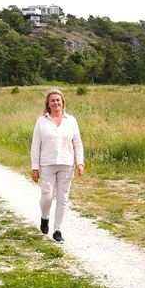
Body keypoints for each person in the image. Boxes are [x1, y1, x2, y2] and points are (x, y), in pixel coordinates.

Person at [30, 89, 84, 244]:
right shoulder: (41, 121)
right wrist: (35, 167)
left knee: (62, 198)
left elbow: (77, 144)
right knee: (47, 198)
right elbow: (36, 146)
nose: (55, 103)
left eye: (58, 100)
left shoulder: (71, 121)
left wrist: (80, 163)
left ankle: (57, 230)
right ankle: (44, 217)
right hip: (47, 164)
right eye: (52, 100)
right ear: (48, 103)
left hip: (66, 164)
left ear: (63, 102)